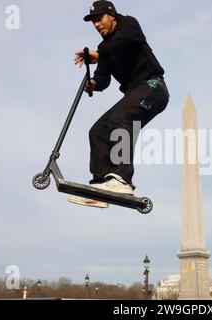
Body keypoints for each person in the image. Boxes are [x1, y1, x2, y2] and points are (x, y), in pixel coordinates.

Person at [69, 1, 169, 208]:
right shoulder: (105, 48)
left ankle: (121, 178)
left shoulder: (129, 25)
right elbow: (103, 79)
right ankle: (100, 185)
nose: (96, 25)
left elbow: (125, 42)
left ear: (112, 15)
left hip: (153, 87)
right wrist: (93, 84)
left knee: (120, 119)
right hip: (134, 93)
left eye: (99, 19)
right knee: (98, 131)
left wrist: (99, 54)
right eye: (93, 22)